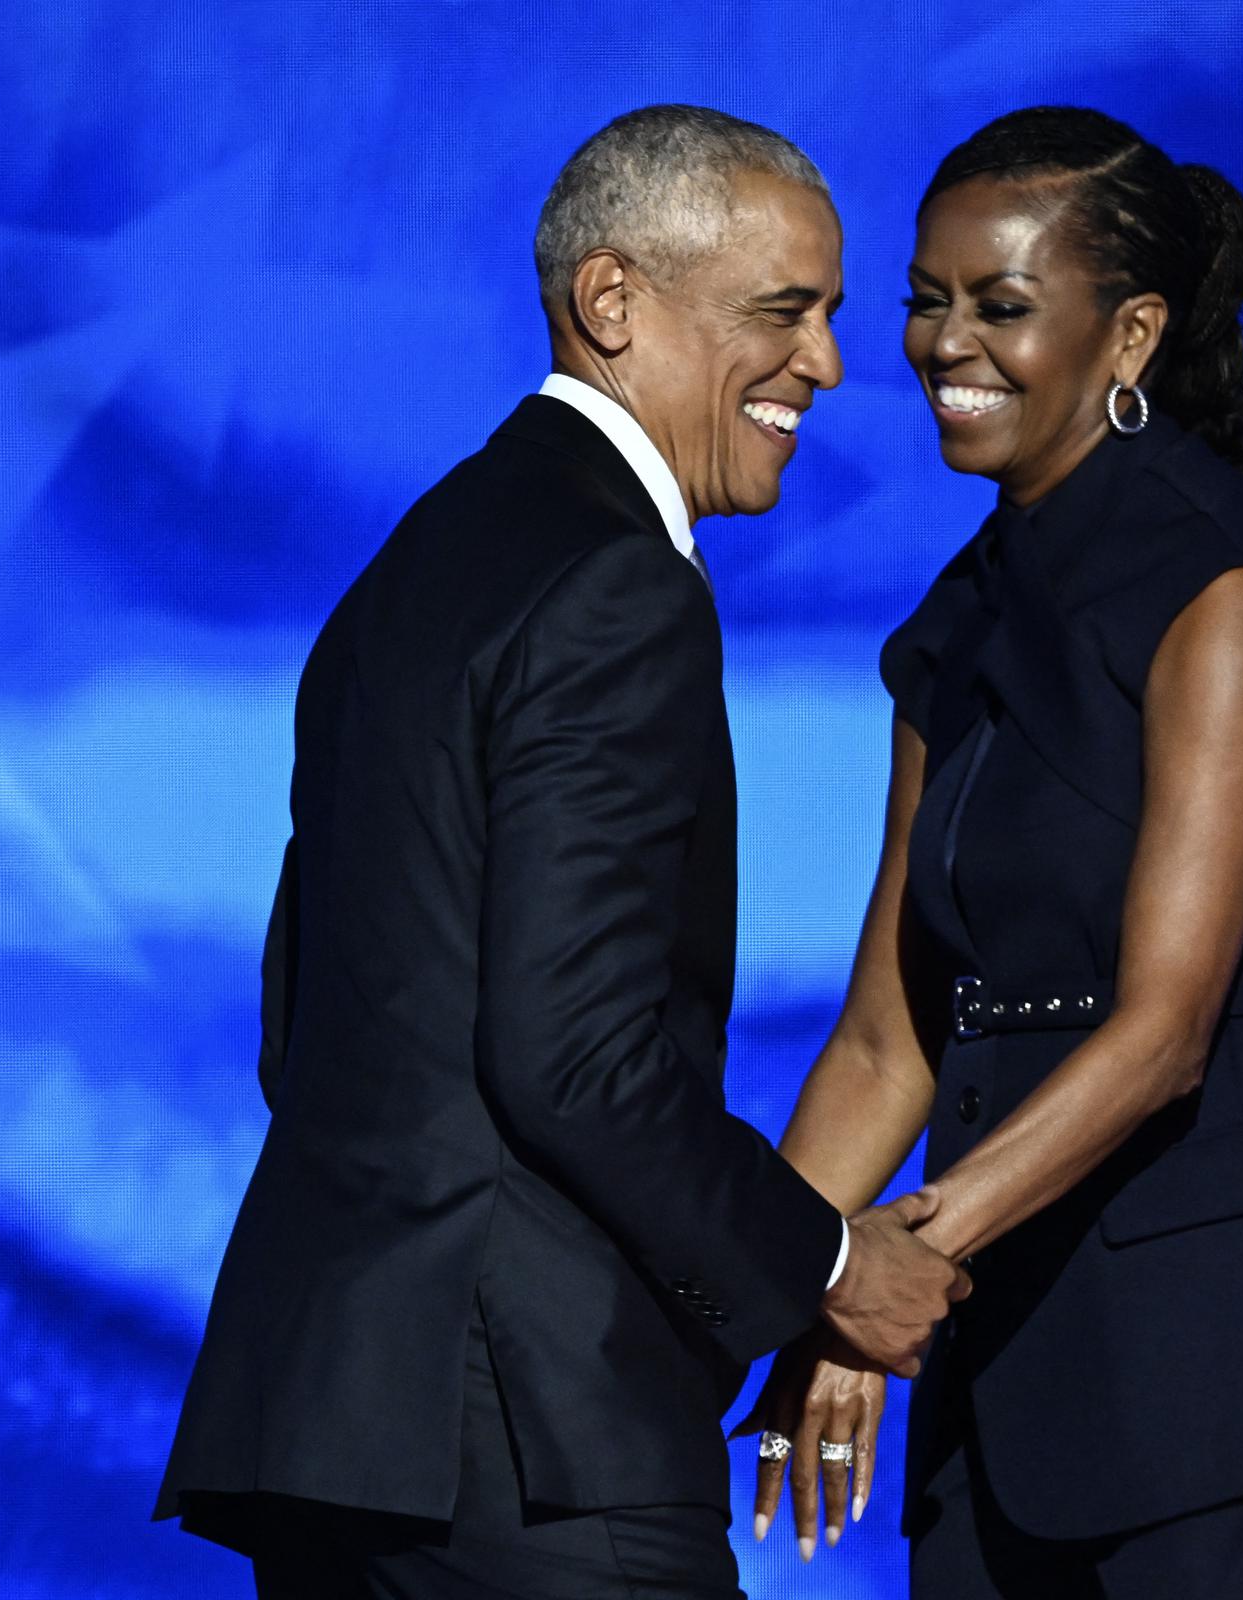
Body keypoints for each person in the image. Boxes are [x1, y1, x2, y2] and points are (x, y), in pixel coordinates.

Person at [154, 104, 970, 1599]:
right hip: (527, 1445)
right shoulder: (617, 587)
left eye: (837, 314)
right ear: (615, 304)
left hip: (332, 1426)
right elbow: (575, 1060)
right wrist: (837, 1269)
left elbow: (310, 1020)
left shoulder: (415, 563)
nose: (832, 366)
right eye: (783, 314)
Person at [737, 106, 1243, 1598]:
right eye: (926, 299)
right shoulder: (954, 627)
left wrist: (875, 1274)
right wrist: (772, 1295)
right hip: (1013, 1337)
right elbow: (887, 1043)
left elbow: (1163, 1034)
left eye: (1001, 307)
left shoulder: (1233, 594)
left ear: (1131, 334)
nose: (943, 344)